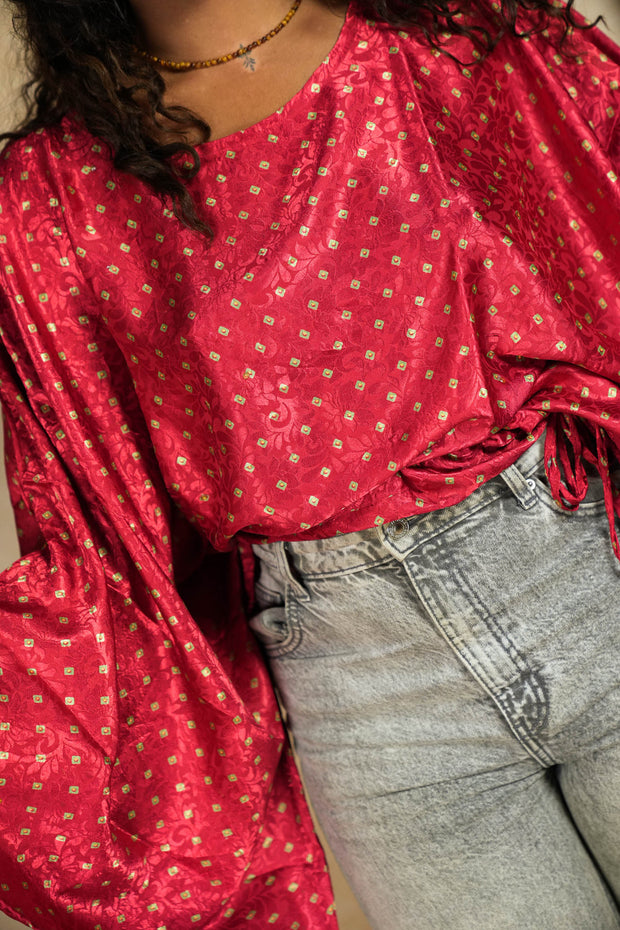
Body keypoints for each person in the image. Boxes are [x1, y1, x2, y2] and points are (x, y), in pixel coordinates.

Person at [0, 0, 619, 928]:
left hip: (584, 578)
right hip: (366, 705)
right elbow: (94, 530)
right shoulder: (50, 195)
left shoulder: (446, 38)